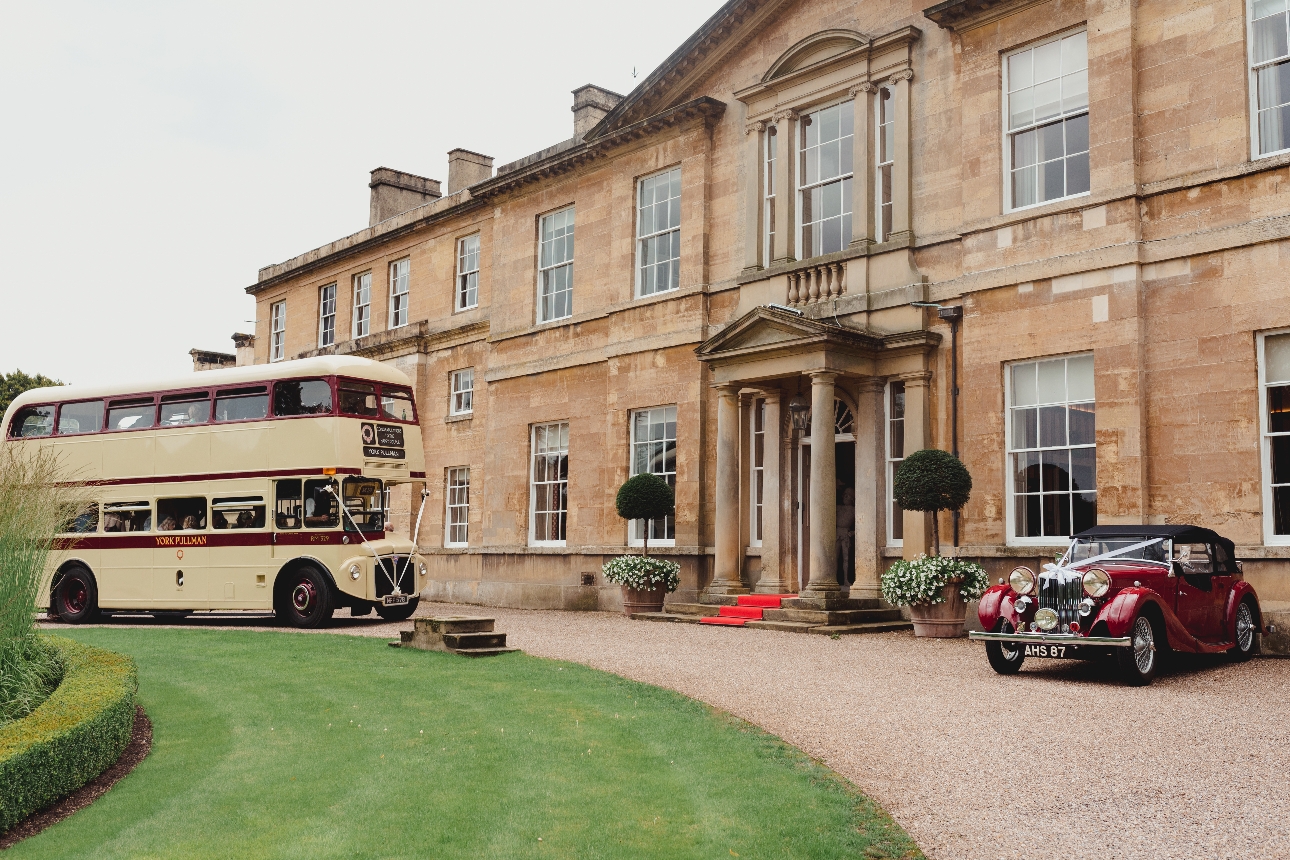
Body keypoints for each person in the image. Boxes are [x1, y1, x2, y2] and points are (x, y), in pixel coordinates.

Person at [836, 487, 855, 586]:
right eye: (844, 495)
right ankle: (833, 578)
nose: (845, 497)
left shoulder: (854, 510)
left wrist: (853, 532)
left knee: (846, 558)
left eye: (847, 496)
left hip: (846, 534)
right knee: (834, 557)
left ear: (852, 498)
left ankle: (846, 579)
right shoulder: (838, 508)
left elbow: (862, 524)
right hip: (837, 532)